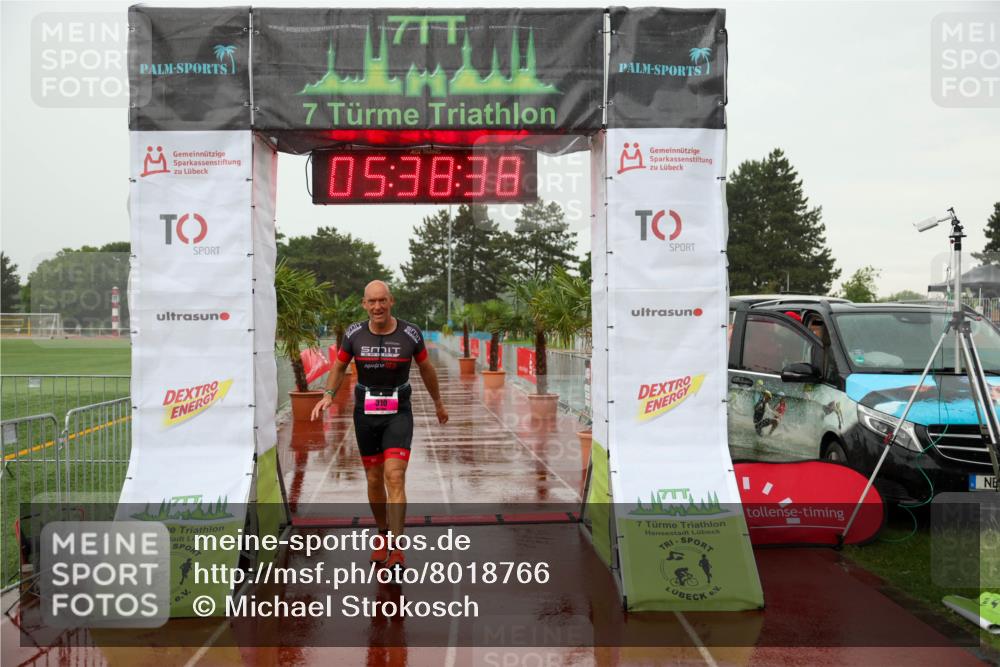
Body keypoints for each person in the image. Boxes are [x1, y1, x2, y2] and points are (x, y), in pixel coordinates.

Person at [311, 280, 448, 570]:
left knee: (394, 476)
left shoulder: (411, 333)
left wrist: (438, 403)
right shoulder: (354, 334)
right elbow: (338, 367)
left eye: (382, 301)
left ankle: (397, 549)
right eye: (371, 302)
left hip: (399, 412)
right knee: (374, 479)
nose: (377, 307)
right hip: (365, 413)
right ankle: (383, 534)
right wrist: (328, 395)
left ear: (391, 301)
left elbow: (426, 368)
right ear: (364, 304)